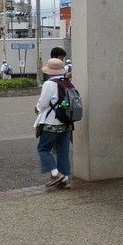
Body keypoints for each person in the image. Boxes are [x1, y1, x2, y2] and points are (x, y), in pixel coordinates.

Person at [33, 58, 74, 189]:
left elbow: (44, 103)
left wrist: (37, 108)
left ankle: (55, 174)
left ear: (49, 71)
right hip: (67, 122)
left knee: (43, 149)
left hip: (52, 122)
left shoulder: (49, 84)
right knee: (63, 151)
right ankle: (65, 179)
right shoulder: (67, 82)